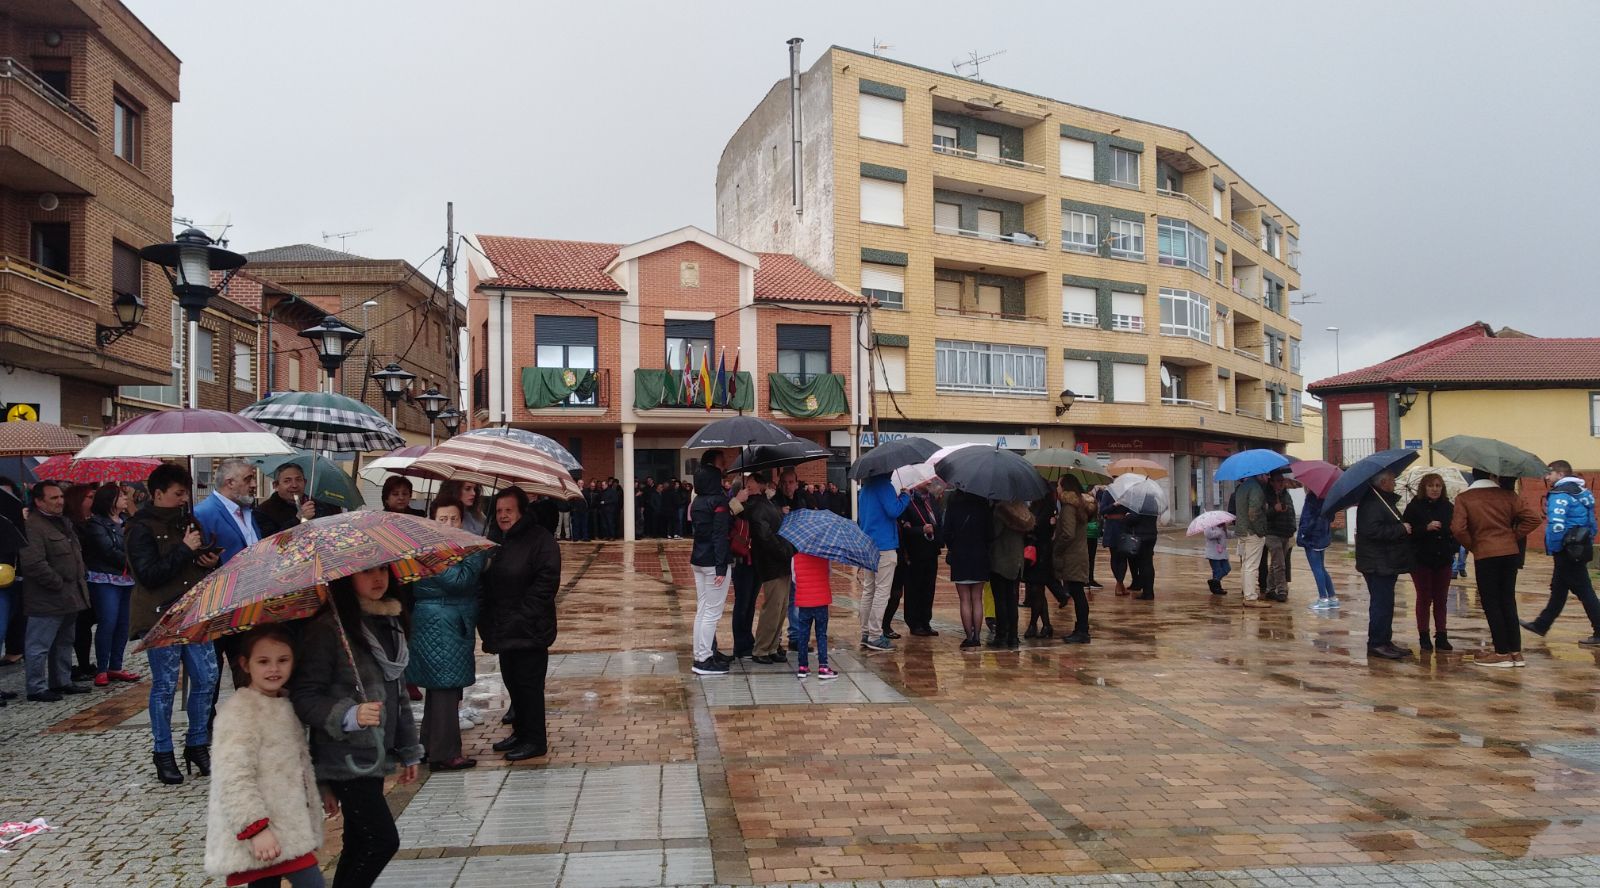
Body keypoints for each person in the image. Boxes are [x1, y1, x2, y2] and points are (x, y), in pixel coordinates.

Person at [290, 567, 420, 887]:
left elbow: (398, 692)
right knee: (382, 841)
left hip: (376, 754)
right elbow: (305, 697)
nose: (377, 579)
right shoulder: (327, 629)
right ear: (346, 579)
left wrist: (408, 750)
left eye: (382, 571)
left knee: (360, 842)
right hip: (344, 758)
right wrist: (350, 714)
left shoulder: (389, 622)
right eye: (365, 573)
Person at [205, 627, 326, 888]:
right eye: (263, 662)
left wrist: (319, 792)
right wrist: (257, 829)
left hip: (287, 822)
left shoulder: (284, 704)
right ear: (245, 664)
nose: (274, 669)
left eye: (283, 660)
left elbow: (297, 765)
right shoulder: (239, 713)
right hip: (267, 828)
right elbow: (233, 778)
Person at [128, 464, 223, 783]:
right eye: (178, 493)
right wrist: (185, 549)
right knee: (166, 684)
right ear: (157, 494)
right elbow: (149, 574)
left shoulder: (188, 519)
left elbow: (193, 563)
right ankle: (163, 752)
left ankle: (197, 744)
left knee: (206, 678)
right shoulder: (139, 527)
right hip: (161, 615)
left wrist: (209, 560)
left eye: (186, 493)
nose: (184, 499)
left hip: (194, 611)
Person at [481, 487, 561, 759]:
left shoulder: (541, 540)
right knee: (512, 682)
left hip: (529, 628)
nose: (503, 516)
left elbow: (546, 582)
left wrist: (523, 613)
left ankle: (535, 739)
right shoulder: (496, 540)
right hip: (504, 627)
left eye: (509, 511)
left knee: (529, 686)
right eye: (500, 511)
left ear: (521, 512)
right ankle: (520, 732)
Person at [406, 498, 485, 771]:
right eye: (442, 519)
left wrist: (432, 562)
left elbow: (463, 580)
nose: (449, 524)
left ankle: (430, 745)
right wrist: (435, 560)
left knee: (445, 687)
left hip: (455, 620)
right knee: (443, 687)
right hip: (435, 619)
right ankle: (444, 752)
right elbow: (456, 580)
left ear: (461, 521)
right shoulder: (424, 549)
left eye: (454, 519)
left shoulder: (473, 548)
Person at [1453, 470, 1540, 667]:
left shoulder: (1464, 498)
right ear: (1492, 476)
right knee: (1508, 600)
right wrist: (1512, 536)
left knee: (1491, 602)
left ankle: (1501, 653)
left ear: (1473, 477)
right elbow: (1534, 519)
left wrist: (1473, 546)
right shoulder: (1508, 495)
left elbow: (1458, 529)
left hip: (1486, 554)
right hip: (1510, 553)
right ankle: (1516, 653)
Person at [17, 481, 91, 702]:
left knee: (64, 641)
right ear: (39, 501)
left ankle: (62, 680)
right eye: (53, 498)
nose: (60, 501)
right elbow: (33, 563)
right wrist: (57, 582)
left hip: (71, 595)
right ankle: (36, 687)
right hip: (47, 597)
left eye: (60, 497)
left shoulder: (64, 522)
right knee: (39, 644)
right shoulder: (33, 525)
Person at [1523, 460, 1600, 646]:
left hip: (1566, 549)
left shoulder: (1560, 495)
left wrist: (1555, 548)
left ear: (1560, 474)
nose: (1546, 477)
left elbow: (1557, 525)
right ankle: (1542, 624)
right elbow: (1592, 523)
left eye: (1549, 473)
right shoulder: (1583, 493)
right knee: (1558, 590)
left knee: (1585, 591)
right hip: (1579, 546)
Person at [80, 484, 139, 686]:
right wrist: (134, 562)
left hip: (126, 579)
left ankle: (116, 665)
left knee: (123, 624)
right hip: (105, 577)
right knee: (108, 621)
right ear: (110, 500)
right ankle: (102, 667)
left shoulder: (126, 521)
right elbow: (107, 550)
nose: (125, 498)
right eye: (121, 495)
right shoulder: (96, 524)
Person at [1355, 471, 1415, 660]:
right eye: (1392, 480)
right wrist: (1400, 529)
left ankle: (1385, 641)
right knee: (1381, 604)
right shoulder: (1372, 503)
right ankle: (1377, 643)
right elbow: (1371, 530)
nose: (1395, 483)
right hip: (1377, 562)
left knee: (1386, 603)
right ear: (1383, 482)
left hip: (1385, 561)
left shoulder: (1382, 500)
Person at [689, 451, 733, 675]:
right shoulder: (719, 501)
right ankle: (704, 659)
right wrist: (721, 567)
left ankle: (700, 654)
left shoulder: (697, 501)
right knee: (711, 613)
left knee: (702, 609)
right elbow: (720, 535)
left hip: (698, 559)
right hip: (713, 562)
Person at [743, 472, 794, 664]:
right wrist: (783, 551)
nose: (747, 484)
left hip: (781, 561)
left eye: (751, 481)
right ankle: (762, 649)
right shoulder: (754, 506)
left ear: (760, 485)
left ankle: (772, 646)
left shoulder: (767, 503)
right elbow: (765, 537)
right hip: (771, 562)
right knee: (773, 607)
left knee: (781, 608)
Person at [856, 472, 910, 652]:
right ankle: (875, 635)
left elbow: (861, 518)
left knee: (868, 590)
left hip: (868, 544)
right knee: (882, 591)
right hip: (884, 545)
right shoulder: (884, 486)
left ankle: (865, 632)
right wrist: (905, 496)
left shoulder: (865, 489)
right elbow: (893, 510)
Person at [1402, 473, 1456, 651]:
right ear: (1424, 488)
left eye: (1438, 486)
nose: (1435, 489)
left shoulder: (1448, 507)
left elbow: (1456, 530)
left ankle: (1441, 635)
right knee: (1424, 598)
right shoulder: (1414, 507)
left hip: (1443, 559)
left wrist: (1452, 545)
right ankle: (1423, 635)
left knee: (1441, 599)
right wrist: (1425, 528)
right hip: (1421, 560)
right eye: (1431, 486)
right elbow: (1407, 533)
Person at [944, 490, 991, 649]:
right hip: (980, 555)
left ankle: (969, 637)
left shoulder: (953, 504)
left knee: (964, 599)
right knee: (977, 598)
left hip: (960, 555)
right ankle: (977, 635)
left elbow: (946, 532)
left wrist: (953, 545)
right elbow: (990, 533)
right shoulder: (984, 504)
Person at [196, 460, 262, 565]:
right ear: (230, 482)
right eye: (248, 479)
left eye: (253, 479)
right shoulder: (203, 513)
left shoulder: (245, 509)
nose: (254, 484)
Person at [1051, 476, 1093, 644]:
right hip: (1079, 554)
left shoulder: (1069, 507)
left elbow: (1068, 533)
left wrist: (1057, 547)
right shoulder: (1079, 505)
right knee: (1078, 593)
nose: (1057, 488)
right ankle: (1081, 628)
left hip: (1072, 556)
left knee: (1077, 593)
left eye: (1059, 485)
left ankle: (1082, 631)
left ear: (1065, 487)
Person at [989, 500, 1035, 649]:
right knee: (1012, 600)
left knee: (1001, 600)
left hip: (1001, 560)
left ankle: (1001, 636)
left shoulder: (1000, 511)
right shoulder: (1022, 511)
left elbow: (993, 533)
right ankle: (1013, 636)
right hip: (1017, 560)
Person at [897, 490, 941, 637]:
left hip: (931, 552)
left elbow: (938, 522)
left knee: (929, 588)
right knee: (914, 588)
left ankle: (925, 621)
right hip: (915, 553)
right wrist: (920, 530)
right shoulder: (909, 503)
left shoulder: (932, 500)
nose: (928, 482)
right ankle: (914, 623)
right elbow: (904, 529)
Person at [1023, 494, 1065, 638]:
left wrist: (1026, 524)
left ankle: (1033, 625)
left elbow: (1039, 526)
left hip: (1041, 553)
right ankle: (1045, 625)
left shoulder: (1048, 507)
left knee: (1036, 590)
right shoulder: (1035, 505)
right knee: (1037, 591)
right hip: (1034, 552)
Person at [791, 552, 838, 680]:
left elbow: (794, 578)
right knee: (821, 634)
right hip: (821, 600)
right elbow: (829, 573)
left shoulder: (795, 556)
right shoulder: (825, 554)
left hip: (804, 601)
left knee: (803, 634)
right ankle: (823, 666)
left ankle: (802, 666)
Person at [254, 465, 325, 538]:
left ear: (305, 482)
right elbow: (270, 540)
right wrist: (298, 519)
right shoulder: (263, 511)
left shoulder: (319, 506)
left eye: (298, 480)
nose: (294, 485)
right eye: (287, 481)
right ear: (276, 486)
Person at [1234, 474, 1272, 608]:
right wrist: (1260, 531)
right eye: (1267, 475)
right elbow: (1253, 512)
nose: (1268, 478)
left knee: (1245, 564)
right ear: (1260, 475)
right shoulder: (1256, 488)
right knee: (1251, 565)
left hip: (1242, 530)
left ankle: (1246, 592)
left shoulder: (1242, 487)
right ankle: (1250, 597)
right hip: (1252, 532)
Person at [1299, 490, 1338, 609]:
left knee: (1317, 569)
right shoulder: (1328, 497)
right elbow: (1331, 517)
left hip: (1312, 538)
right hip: (1323, 537)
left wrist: (1303, 533)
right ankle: (1332, 597)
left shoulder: (1312, 497)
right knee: (1321, 568)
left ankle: (1323, 598)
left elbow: (1307, 518)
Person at [1261, 473, 1296, 602]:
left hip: (1285, 533)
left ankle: (1270, 589)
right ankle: (1282, 590)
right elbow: (1263, 515)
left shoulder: (1286, 495)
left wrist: (1292, 527)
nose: (1281, 483)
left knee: (1275, 564)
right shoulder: (1266, 495)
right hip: (1272, 533)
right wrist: (1274, 509)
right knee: (1280, 564)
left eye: (1282, 480)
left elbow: (1291, 512)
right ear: (1271, 482)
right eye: (1278, 480)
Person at [1096, 486, 1130, 596]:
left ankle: (1120, 583)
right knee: (1115, 556)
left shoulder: (1128, 494)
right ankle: (1119, 583)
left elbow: (1133, 509)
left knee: (1123, 557)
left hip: (1124, 527)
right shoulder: (1108, 493)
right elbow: (1102, 510)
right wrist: (1114, 505)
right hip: (1112, 528)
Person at [1122, 506, 1159, 601]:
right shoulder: (1153, 501)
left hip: (1142, 536)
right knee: (1148, 563)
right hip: (1151, 535)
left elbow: (1134, 518)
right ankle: (1149, 591)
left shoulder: (1140, 502)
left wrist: (1127, 516)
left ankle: (1147, 593)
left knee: (1143, 565)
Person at [1203, 522, 1232, 596]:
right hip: (1213, 553)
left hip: (1222, 553)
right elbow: (1209, 535)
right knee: (1217, 570)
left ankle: (1214, 581)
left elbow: (1228, 535)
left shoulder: (1222, 527)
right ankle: (1217, 588)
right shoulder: (1209, 526)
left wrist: (1226, 529)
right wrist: (1220, 530)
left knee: (1227, 568)